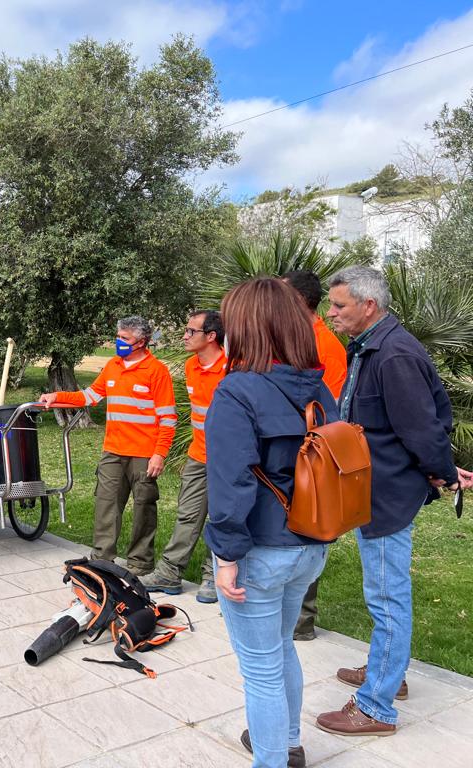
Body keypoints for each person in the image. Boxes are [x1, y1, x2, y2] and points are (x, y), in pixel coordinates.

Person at [315, 266, 473, 737]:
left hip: (387, 495)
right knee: (383, 593)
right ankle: (389, 672)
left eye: (339, 305)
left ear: (369, 305)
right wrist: (441, 469)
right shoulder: (375, 344)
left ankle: (376, 706)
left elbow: (421, 428)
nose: (331, 313)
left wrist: (444, 473)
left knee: (387, 597)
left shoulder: (394, 354)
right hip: (375, 488)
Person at [204, 277, 338, 768]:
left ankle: (273, 758)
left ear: (247, 328)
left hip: (261, 548)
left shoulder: (237, 391)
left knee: (260, 669)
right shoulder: (320, 386)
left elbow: (231, 483)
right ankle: (289, 742)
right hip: (309, 544)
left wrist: (225, 557)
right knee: (281, 649)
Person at [40, 316, 176, 572]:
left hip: (144, 455)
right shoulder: (113, 365)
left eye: (125, 338)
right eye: (118, 336)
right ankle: (102, 561)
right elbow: (89, 396)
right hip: (113, 451)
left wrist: (160, 454)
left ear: (142, 342)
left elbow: (168, 417)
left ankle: (140, 564)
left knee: (143, 509)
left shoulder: (156, 371)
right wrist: (56, 396)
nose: (119, 342)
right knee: (106, 504)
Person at [139, 310, 226, 603]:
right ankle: (169, 573)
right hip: (198, 455)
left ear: (211, 336)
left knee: (221, 518)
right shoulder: (191, 366)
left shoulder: (233, 369)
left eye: (191, 331)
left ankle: (213, 576)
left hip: (227, 460)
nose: (185, 336)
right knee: (187, 514)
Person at [283, 269, 348, 641]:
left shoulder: (325, 346)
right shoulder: (295, 338)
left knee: (309, 529)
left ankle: (301, 620)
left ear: (300, 301)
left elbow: (331, 409)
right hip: (288, 451)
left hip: (311, 454)